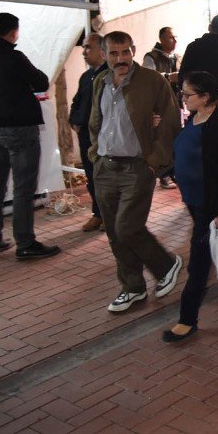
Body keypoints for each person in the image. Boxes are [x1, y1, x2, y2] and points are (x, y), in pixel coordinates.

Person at [90, 31, 183, 312]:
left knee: (127, 226)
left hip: (137, 166)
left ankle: (166, 264)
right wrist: (94, 154)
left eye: (126, 52)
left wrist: (155, 160)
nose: (121, 59)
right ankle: (132, 288)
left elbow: (169, 120)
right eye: (114, 54)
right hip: (105, 166)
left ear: (133, 51)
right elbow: (98, 121)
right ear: (105, 55)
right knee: (115, 233)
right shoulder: (100, 82)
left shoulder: (151, 81)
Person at [0, 12, 61, 260]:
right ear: (13, 32)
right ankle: (25, 242)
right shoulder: (14, 56)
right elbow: (41, 81)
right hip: (20, 127)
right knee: (23, 187)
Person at [162, 71, 218, 343]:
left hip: (211, 203)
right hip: (194, 199)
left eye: (188, 95)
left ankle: (187, 320)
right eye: (182, 94)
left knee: (198, 261)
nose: (183, 99)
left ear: (206, 97)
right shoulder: (195, 118)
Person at [70, 33, 108, 232]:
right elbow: (76, 102)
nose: (84, 52)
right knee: (91, 175)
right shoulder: (86, 76)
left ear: (102, 51)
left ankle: (109, 215)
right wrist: (74, 121)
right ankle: (98, 214)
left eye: (88, 48)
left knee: (105, 176)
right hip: (86, 135)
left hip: (103, 135)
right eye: (84, 47)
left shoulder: (109, 75)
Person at [143, 26, 180, 189]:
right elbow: (148, 78)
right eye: (171, 37)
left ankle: (173, 172)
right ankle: (163, 175)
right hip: (159, 104)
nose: (174, 41)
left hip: (175, 102)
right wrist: (168, 77)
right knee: (162, 138)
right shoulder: (151, 57)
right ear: (162, 39)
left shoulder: (175, 57)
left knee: (174, 136)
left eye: (174, 37)